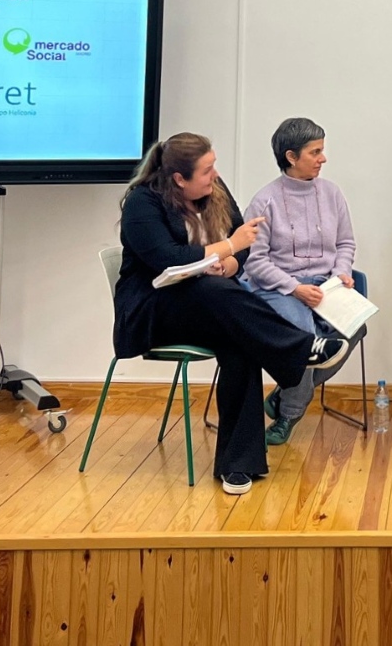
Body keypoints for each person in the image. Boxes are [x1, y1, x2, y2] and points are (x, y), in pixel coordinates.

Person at [114, 133, 347, 495]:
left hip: (210, 305)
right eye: (207, 170)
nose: (214, 175)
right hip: (153, 309)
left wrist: (230, 264)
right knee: (215, 293)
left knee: (240, 341)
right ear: (179, 179)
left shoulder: (214, 190)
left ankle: (238, 466)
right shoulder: (143, 203)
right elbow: (167, 261)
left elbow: (244, 250)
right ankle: (300, 349)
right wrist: (229, 248)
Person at [243, 117, 366, 446]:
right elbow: (254, 261)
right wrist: (294, 288)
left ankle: (284, 393)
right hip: (280, 288)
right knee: (304, 340)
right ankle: (290, 415)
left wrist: (341, 271)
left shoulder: (332, 193)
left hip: (326, 286)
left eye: (322, 150)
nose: (323, 159)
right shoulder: (264, 201)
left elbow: (345, 243)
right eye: (315, 152)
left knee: (356, 327)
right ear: (291, 157)